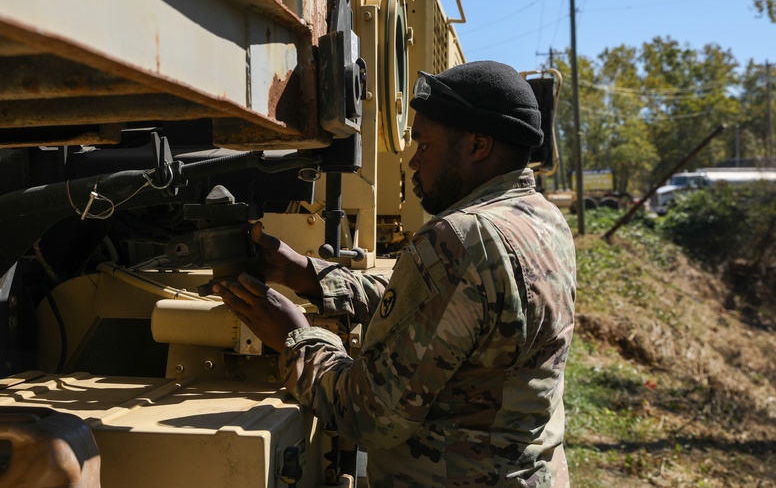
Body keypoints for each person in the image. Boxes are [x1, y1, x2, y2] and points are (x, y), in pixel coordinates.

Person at [213, 60, 576, 487]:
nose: (413, 163)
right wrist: (310, 276)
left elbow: (369, 416)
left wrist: (295, 337)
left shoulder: (458, 240)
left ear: (478, 145)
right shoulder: (543, 219)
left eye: (425, 145)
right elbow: (445, 311)